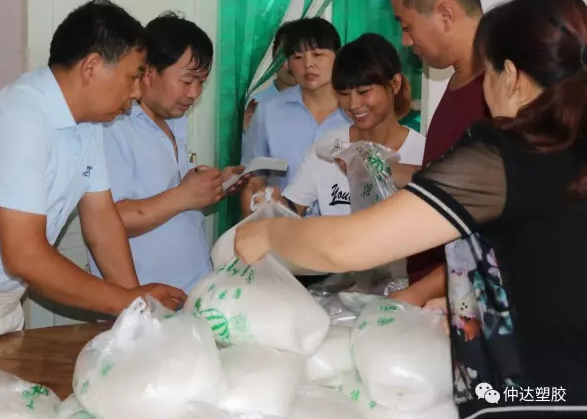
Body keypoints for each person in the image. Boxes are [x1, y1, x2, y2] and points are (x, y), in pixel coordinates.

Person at [235, 0, 587, 416]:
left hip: (540, 392)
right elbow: (535, 258)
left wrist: (269, 232)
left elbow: (347, 245)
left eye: (489, 75)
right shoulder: (568, 150)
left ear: (510, 76)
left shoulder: (505, 156)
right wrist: (458, 296)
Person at [0, 0, 185, 347]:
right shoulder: (22, 119)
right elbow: (24, 255)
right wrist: (125, 301)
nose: (137, 92)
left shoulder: (89, 125)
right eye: (133, 76)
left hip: (0, 306)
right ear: (92, 67)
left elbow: (102, 223)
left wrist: (138, 312)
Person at [88, 13, 244, 293]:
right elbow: (107, 221)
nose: (194, 93)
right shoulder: (113, 127)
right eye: (187, 81)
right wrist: (185, 195)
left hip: (194, 284)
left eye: (201, 82)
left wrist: (214, 185)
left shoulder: (175, 122)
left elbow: (171, 192)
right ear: (148, 72)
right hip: (143, 295)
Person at [388, 0, 487, 306]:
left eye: (407, 27)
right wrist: (385, 169)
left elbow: (492, 233)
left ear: (445, 15)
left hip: (457, 301)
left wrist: (419, 293)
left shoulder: (496, 93)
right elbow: (455, 182)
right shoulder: (460, 78)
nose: (406, 40)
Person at [281, 33, 425, 217]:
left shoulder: (423, 153)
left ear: (395, 84)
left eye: (364, 92)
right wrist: (268, 202)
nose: (353, 104)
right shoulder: (329, 147)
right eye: (344, 94)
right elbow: (290, 209)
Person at [240, 17, 351, 217]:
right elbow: (253, 180)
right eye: (298, 57)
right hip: (284, 228)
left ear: (338, 56)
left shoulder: (355, 111)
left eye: (317, 54)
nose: (308, 64)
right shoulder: (268, 112)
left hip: (346, 230)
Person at [243, 21, 297, 132]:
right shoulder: (256, 105)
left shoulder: (317, 104)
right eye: (285, 55)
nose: (291, 64)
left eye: (297, 56)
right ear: (274, 55)